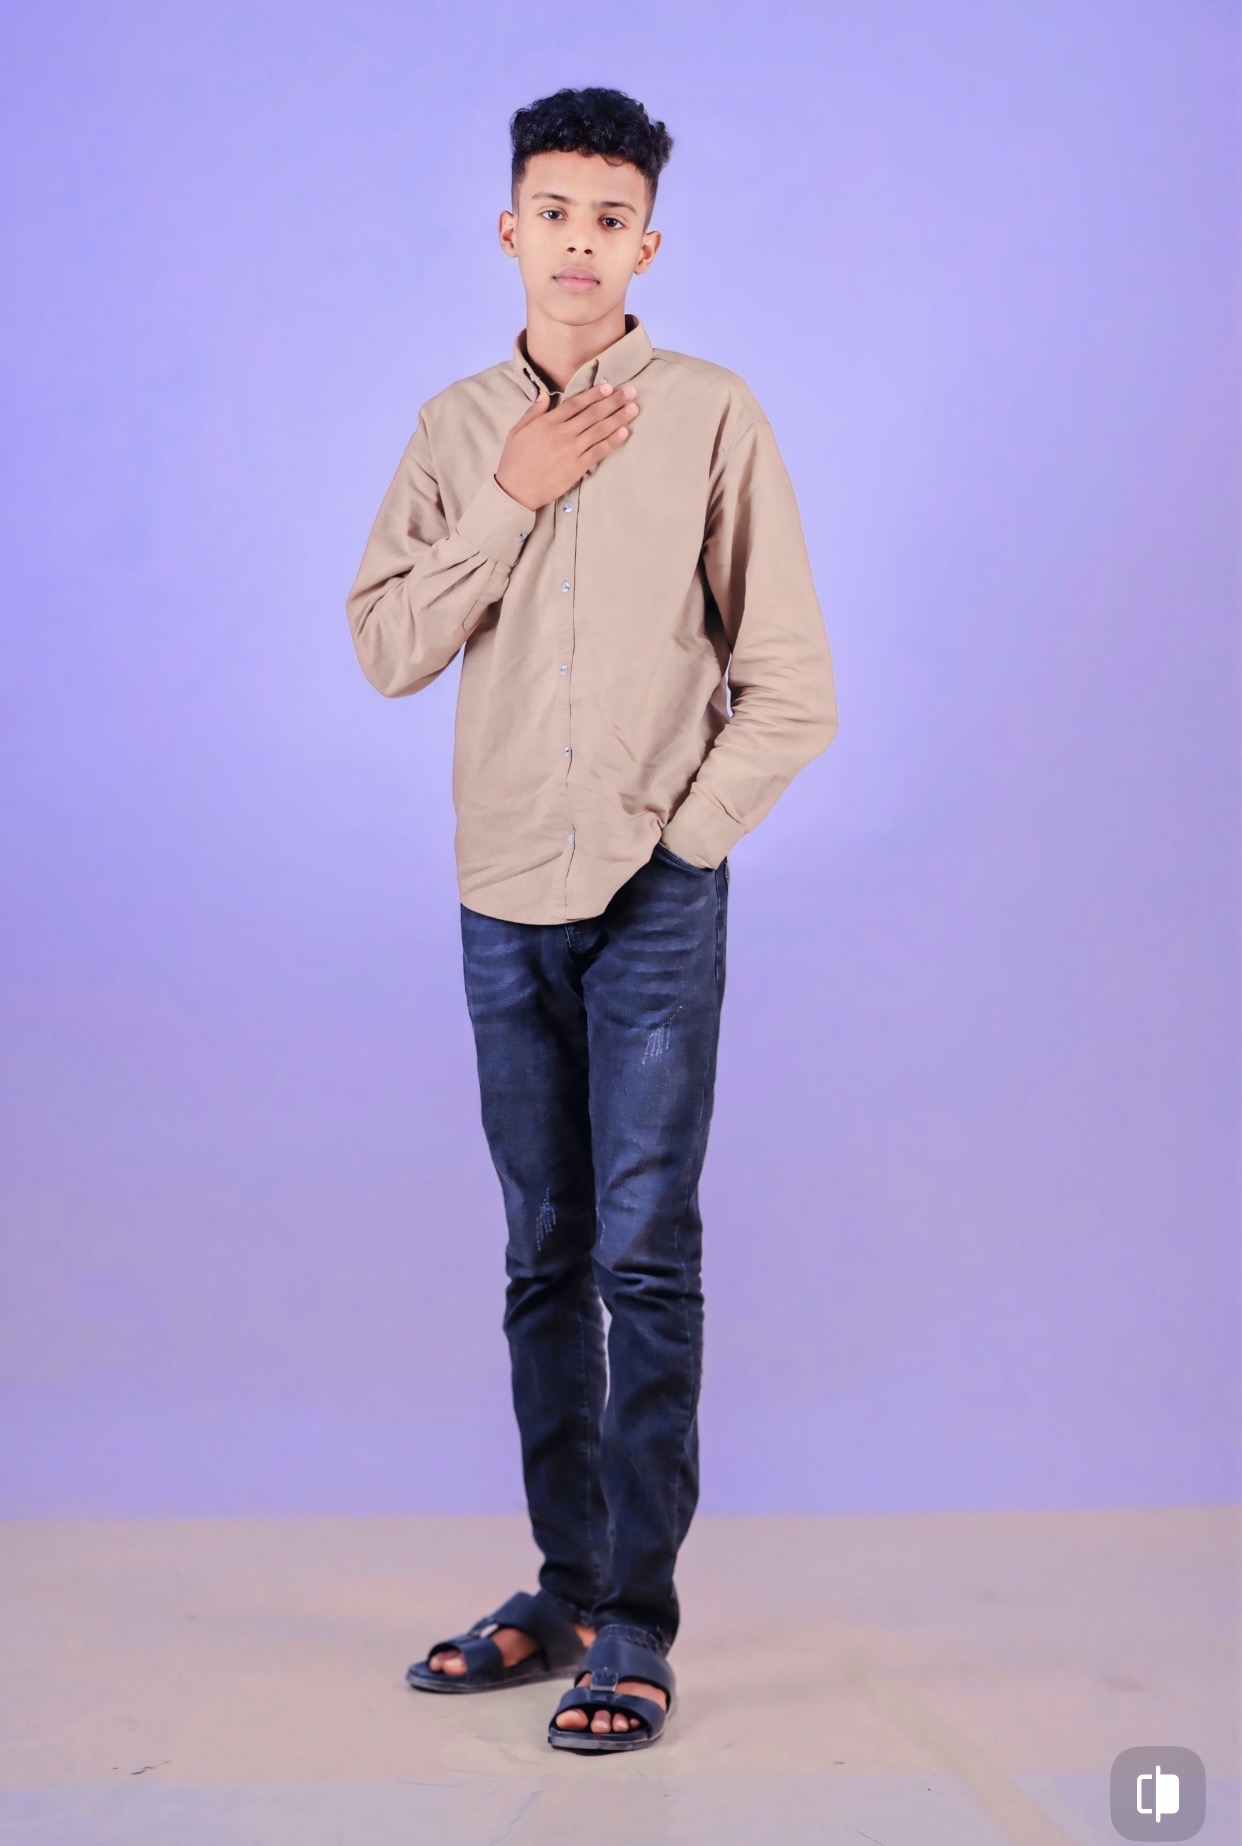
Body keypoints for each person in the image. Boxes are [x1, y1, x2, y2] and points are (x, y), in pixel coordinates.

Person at [344, 84, 838, 1756]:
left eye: (608, 218)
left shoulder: (709, 414)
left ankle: (635, 1623)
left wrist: (679, 849)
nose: (578, 242)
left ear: (647, 244)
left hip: (650, 901)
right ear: (510, 229)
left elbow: (791, 682)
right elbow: (388, 647)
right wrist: (510, 493)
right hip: (500, 892)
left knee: (644, 1253)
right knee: (542, 1252)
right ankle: (561, 1587)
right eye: (551, 211)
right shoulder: (451, 426)